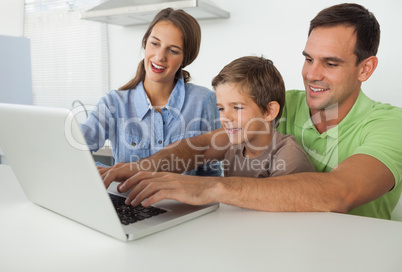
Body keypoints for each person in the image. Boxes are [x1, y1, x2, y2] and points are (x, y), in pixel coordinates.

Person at [100, 3, 402, 220]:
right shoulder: (286, 102)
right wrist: (144, 167)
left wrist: (211, 187)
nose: (312, 74)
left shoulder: (390, 124)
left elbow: (340, 192)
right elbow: (205, 146)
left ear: (366, 68)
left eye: (330, 63)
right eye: (308, 59)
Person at [80, 8, 221, 176]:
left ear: (186, 58)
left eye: (173, 50)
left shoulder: (203, 101)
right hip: (128, 201)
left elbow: (210, 173)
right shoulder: (114, 103)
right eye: (155, 43)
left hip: (180, 203)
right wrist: (109, 173)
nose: (160, 56)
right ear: (145, 43)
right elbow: (75, 152)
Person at [213, 56, 315, 177]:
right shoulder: (232, 151)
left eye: (237, 107)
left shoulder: (289, 157)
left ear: (269, 111)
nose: (226, 118)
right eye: (221, 108)